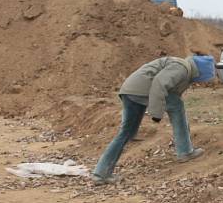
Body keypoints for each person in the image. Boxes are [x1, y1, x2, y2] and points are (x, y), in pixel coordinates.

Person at [91, 54, 215, 185]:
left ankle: (101, 173)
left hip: (130, 91)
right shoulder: (181, 68)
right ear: (200, 72)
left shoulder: (183, 68)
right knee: (177, 106)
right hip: (141, 91)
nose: (202, 82)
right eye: (204, 78)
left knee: (126, 133)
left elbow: (171, 89)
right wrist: (156, 113)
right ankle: (185, 151)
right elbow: (159, 84)